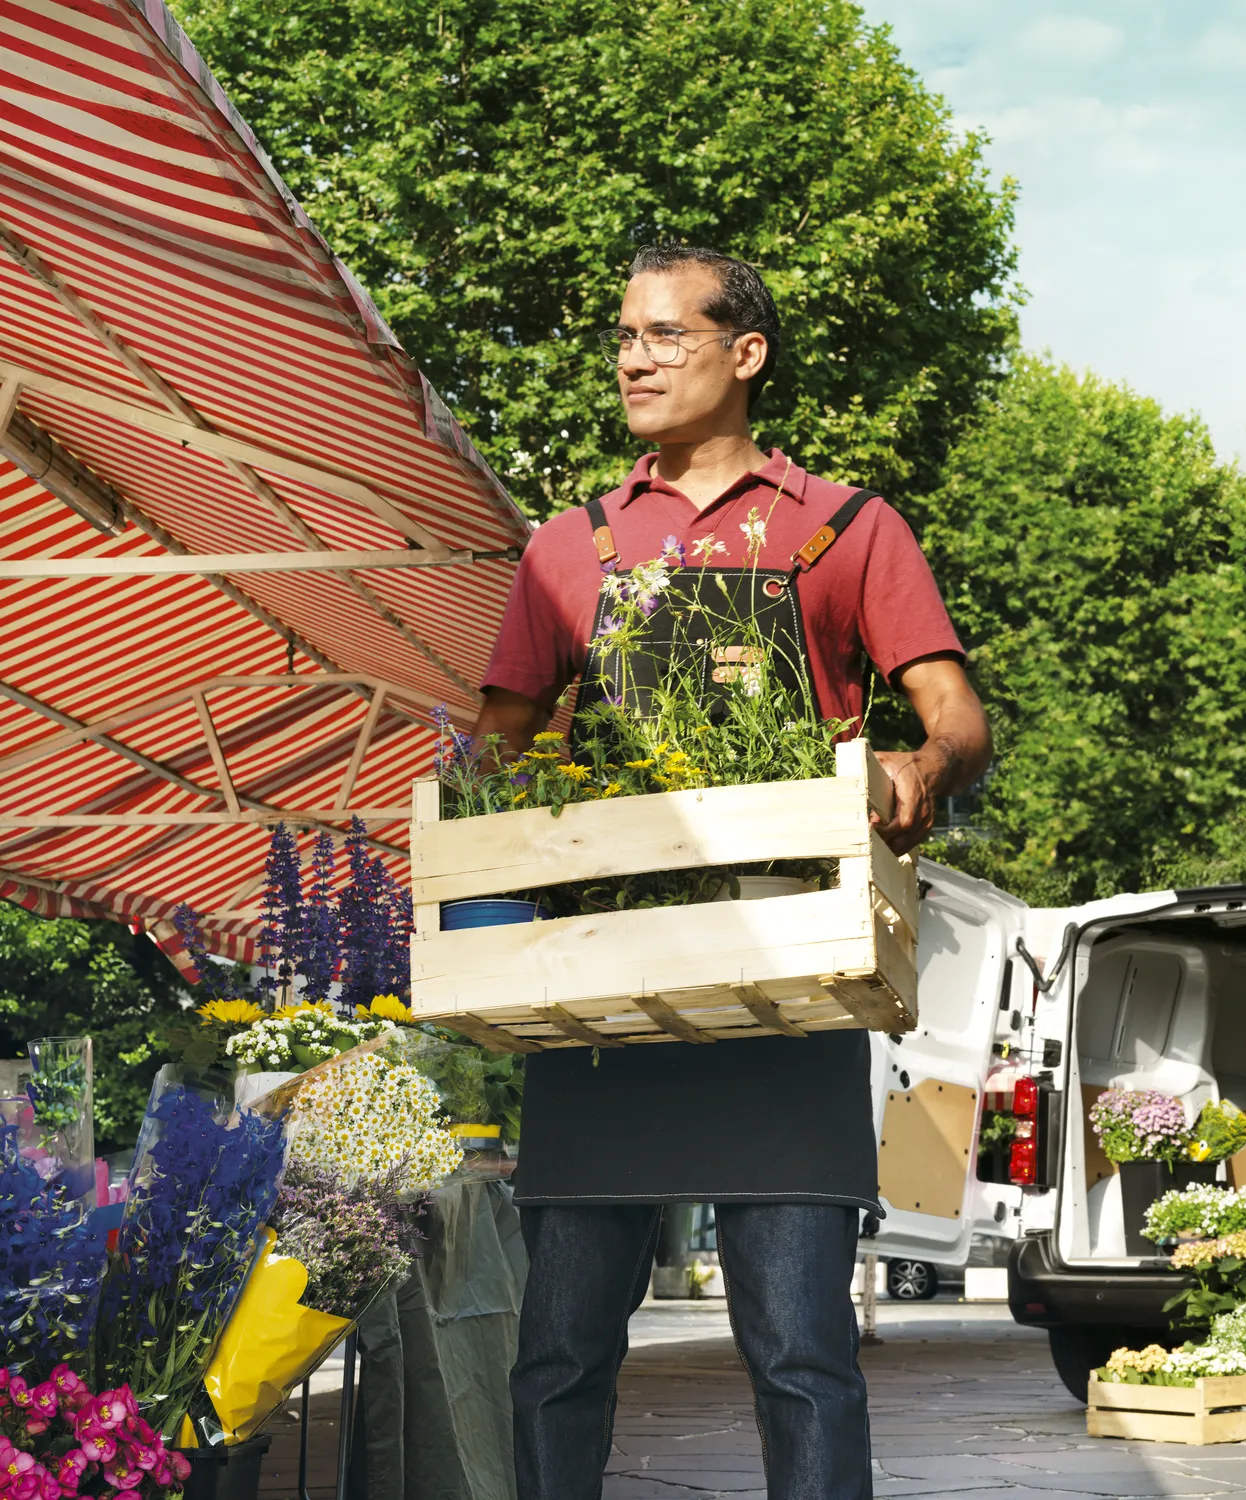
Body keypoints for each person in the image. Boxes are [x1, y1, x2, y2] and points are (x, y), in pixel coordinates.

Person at [474, 243, 992, 1500]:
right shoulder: (566, 549)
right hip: (598, 988)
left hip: (790, 967)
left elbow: (957, 716)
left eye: (664, 336)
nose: (632, 360)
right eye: (623, 339)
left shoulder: (842, 529)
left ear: (743, 353)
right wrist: (481, 824)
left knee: (801, 1353)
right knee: (556, 1356)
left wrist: (911, 773)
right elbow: (494, 750)